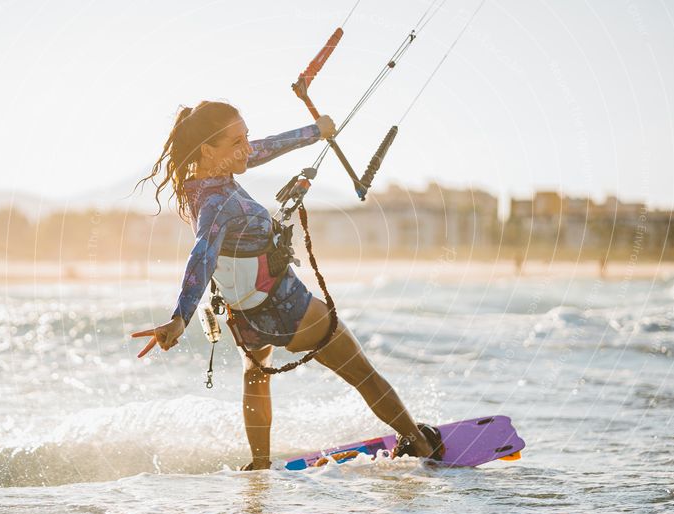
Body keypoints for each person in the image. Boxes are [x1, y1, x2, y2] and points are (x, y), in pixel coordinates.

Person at [131, 100, 442, 470]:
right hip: (288, 307)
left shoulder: (205, 181)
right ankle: (421, 444)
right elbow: (202, 255)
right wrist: (179, 316)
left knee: (256, 373)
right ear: (208, 150)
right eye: (237, 142)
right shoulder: (217, 204)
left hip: (247, 317)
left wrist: (314, 132)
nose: (248, 147)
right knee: (362, 373)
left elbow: (261, 150)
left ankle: (260, 464)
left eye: (246, 136)